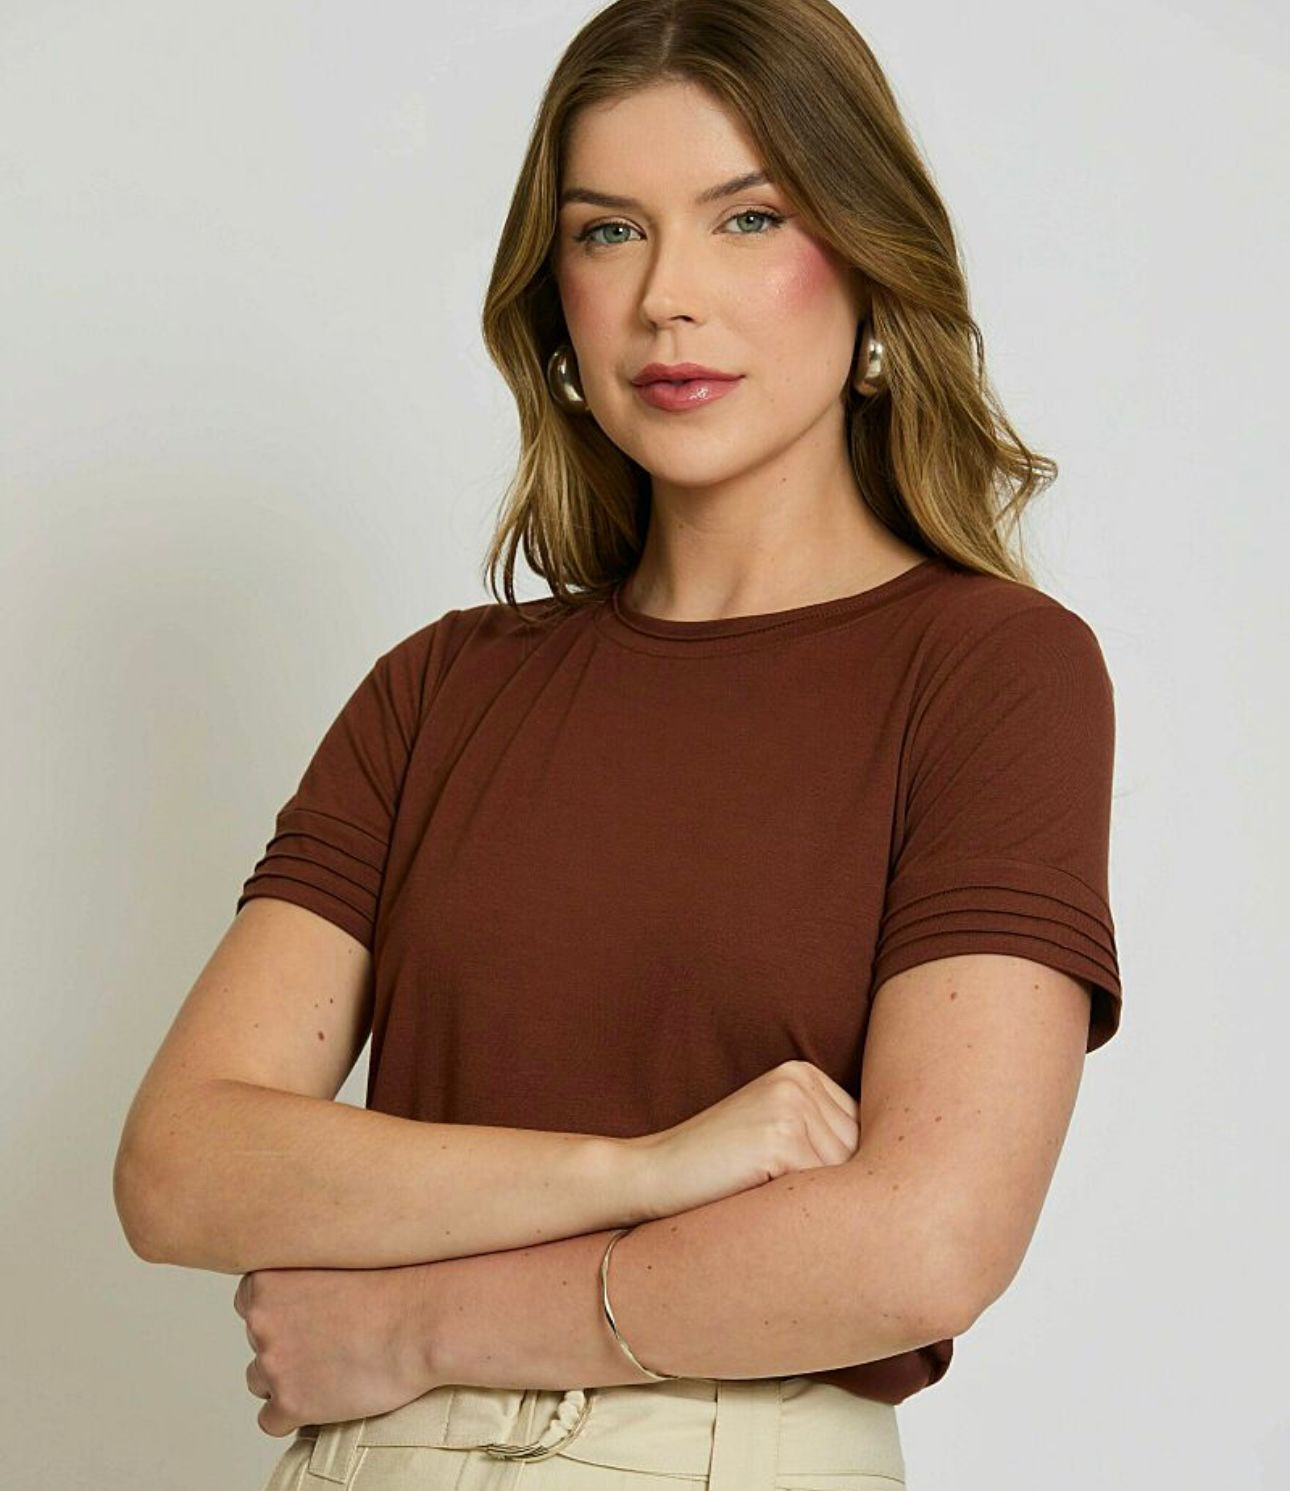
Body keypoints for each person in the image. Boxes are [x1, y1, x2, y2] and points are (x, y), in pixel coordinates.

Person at [112, 1, 1124, 1487]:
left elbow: (922, 1244)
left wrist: (420, 1327)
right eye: (608, 233)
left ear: (869, 265)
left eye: (747, 219)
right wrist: (638, 1171)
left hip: (721, 1451)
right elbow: (181, 1169)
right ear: (558, 304)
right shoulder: (442, 689)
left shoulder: (988, 669)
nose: (667, 299)